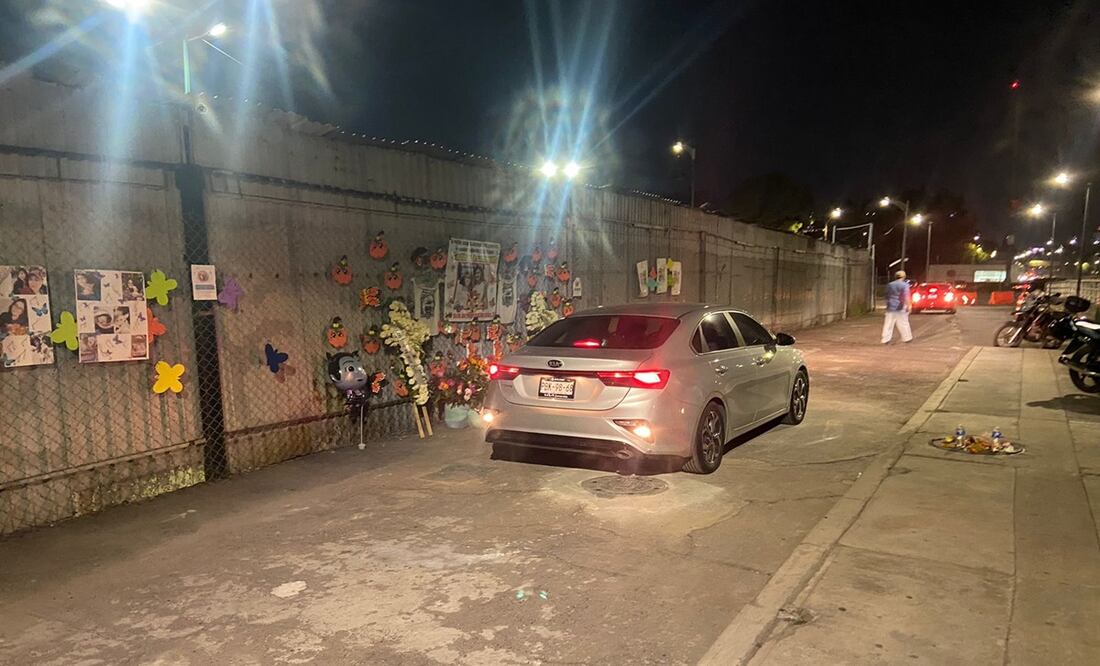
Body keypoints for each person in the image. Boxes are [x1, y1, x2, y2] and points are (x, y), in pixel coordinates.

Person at [882, 270, 913, 344]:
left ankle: (885, 339)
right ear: (903, 277)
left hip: (890, 307)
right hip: (901, 306)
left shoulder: (890, 285)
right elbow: (906, 296)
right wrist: (909, 306)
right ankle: (907, 338)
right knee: (903, 323)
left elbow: (886, 296)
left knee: (888, 323)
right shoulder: (905, 285)